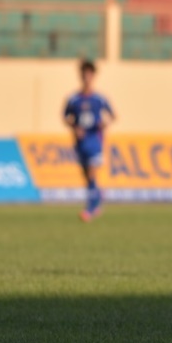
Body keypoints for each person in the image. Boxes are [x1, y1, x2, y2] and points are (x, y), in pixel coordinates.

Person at [63, 60, 115, 222]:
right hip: (80, 142)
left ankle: (90, 209)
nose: (86, 77)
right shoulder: (73, 99)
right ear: (81, 76)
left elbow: (113, 115)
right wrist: (74, 127)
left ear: (93, 76)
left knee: (92, 172)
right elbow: (65, 117)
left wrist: (104, 124)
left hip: (95, 140)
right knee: (87, 176)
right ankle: (98, 196)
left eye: (89, 74)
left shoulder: (99, 98)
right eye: (84, 74)